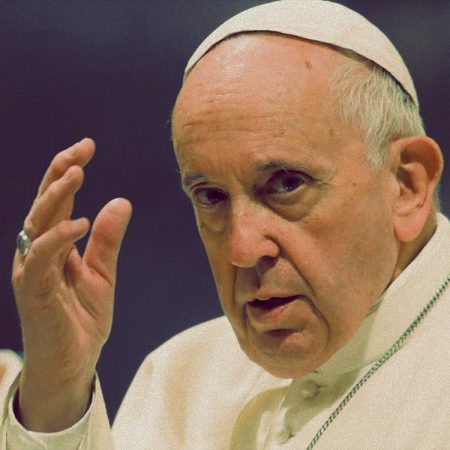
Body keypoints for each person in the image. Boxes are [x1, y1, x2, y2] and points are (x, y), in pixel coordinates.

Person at [1, 0, 449, 448]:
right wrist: (57, 390)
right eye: (211, 197)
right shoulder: (183, 380)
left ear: (406, 185)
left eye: (287, 184)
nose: (242, 249)